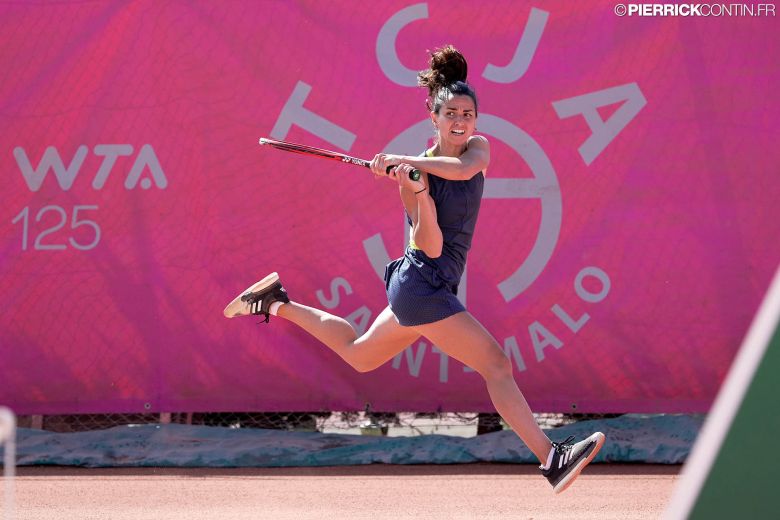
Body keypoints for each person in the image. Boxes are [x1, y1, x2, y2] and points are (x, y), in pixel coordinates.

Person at [224, 45, 604, 493]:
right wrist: (418, 193)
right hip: (422, 285)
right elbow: (430, 243)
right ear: (434, 118)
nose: (461, 122)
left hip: (426, 284)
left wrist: (409, 164)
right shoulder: (414, 180)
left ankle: (276, 303)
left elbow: (463, 170)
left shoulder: (475, 150)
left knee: (359, 353)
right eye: (451, 115)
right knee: (496, 365)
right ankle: (551, 457)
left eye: (468, 113)